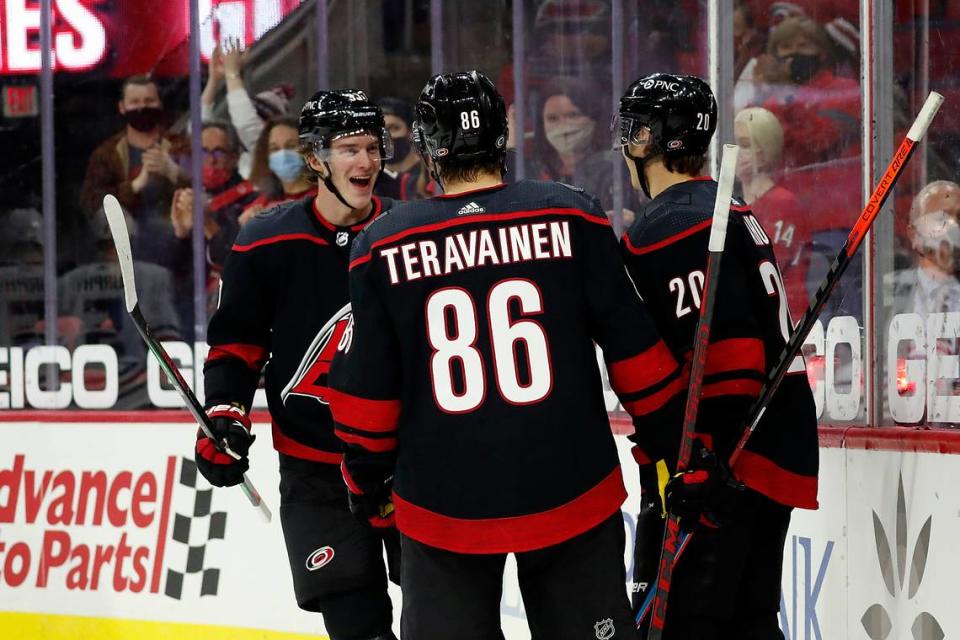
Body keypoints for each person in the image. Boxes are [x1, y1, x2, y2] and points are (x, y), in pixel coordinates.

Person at [328, 70, 685, 640]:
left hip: (441, 501)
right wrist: (676, 445)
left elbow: (368, 396)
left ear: (427, 150)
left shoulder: (384, 242)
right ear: (502, 136)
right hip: (572, 485)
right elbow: (636, 351)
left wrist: (366, 481)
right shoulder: (573, 213)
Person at [616, 73, 819, 638]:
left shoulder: (669, 225)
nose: (626, 142)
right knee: (750, 620)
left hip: (722, 460)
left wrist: (702, 459)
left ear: (656, 139)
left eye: (634, 128)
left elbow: (728, 352)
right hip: (767, 445)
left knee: (691, 622)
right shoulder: (725, 207)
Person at [195, 90, 399, 640]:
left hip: (407, 465)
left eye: (373, 148)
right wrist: (226, 414)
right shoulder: (266, 240)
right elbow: (236, 345)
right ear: (315, 159)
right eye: (350, 149)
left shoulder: (407, 230)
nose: (366, 163)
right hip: (317, 473)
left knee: (448, 622)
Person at [80, 74, 190, 270]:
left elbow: (206, 188)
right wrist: (135, 185)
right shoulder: (108, 153)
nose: (142, 107)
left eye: (149, 101)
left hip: (181, 255)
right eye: (135, 102)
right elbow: (91, 203)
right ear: (122, 107)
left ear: (160, 104)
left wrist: (174, 172)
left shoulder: (180, 146)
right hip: (125, 261)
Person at [734, 106, 810, 319]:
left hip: (784, 320)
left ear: (766, 149)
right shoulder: (731, 204)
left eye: (746, 145)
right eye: (735, 144)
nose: (737, 152)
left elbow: (764, 269)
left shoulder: (784, 204)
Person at [170, 121, 257, 272]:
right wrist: (181, 234)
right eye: (203, 152)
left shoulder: (252, 200)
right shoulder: (187, 196)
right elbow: (176, 271)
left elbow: (238, 261)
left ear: (233, 159)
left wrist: (207, 224)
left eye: (218, 152)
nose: (211, 160)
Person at [201, 38, 295, 179]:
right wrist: (213, 81)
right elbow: (201, 131)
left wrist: (232, 74)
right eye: (255, 116)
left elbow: (246, 125)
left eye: (262, 120)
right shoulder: (239, 158)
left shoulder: (274, 160)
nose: (257, 125)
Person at [240, 116, 318, 226]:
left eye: (291, 146)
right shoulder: (261, 203)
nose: (283, 154)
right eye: (275, 149)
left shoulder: (324, 200)